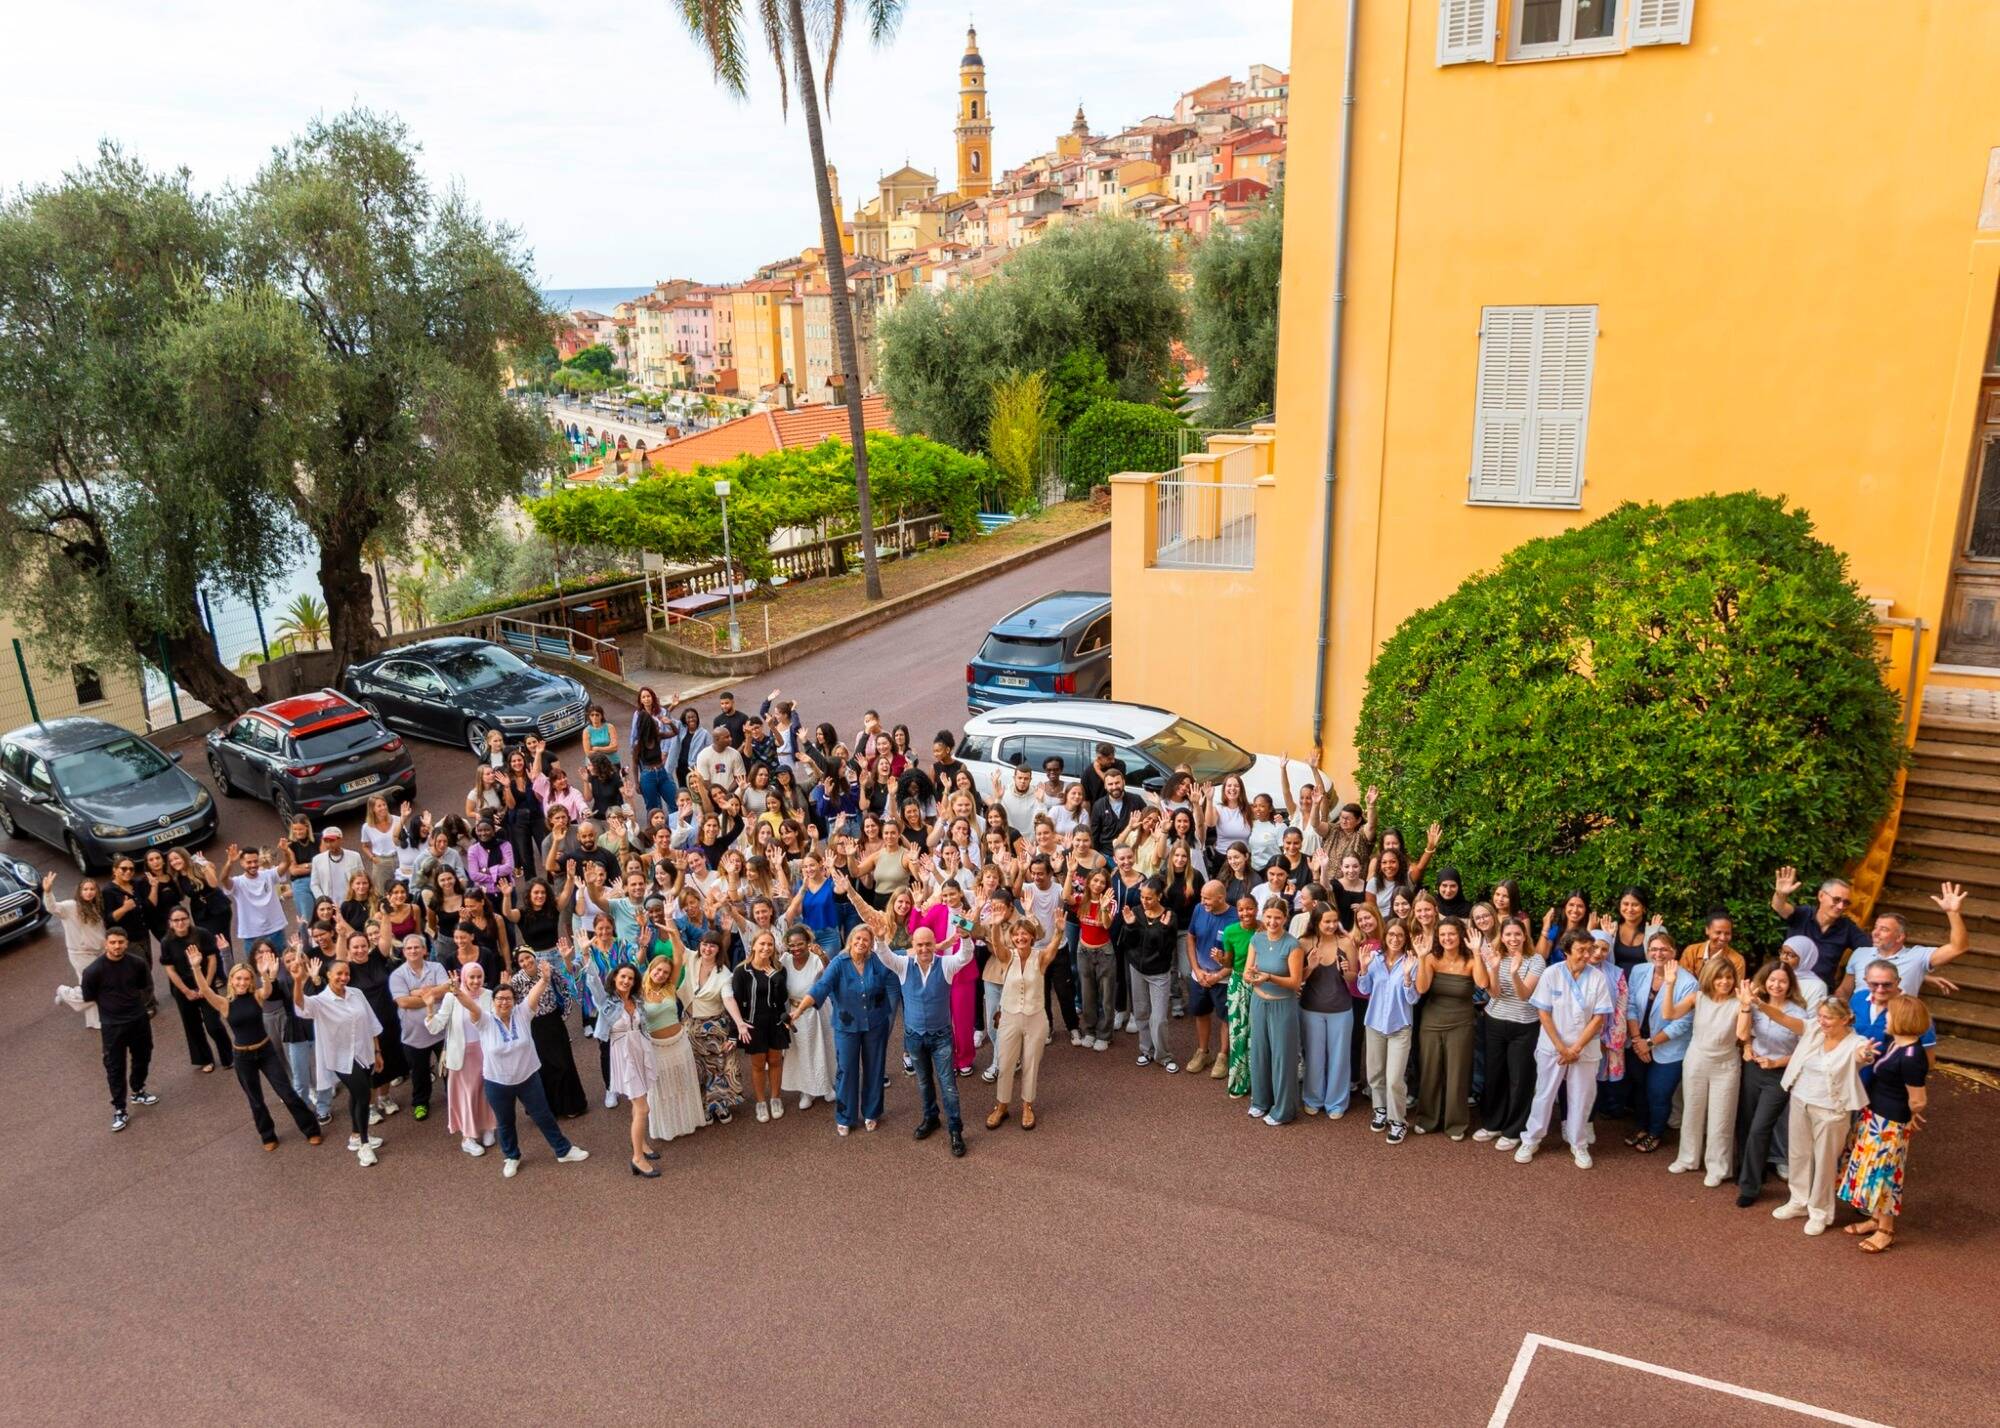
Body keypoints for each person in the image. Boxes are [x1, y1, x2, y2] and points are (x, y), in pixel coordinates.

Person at [444, 962, 592, 1179]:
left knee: (544, 1116)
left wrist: (544, 979)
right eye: (499, 999)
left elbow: (533, 995)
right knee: (505, 1123)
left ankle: (563, 1150)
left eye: (508, 998)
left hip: (528, 1079)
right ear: (493, 1002)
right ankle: (511, 1157)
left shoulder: (522, 1014)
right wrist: (457, 992)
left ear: (515, 1001)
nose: (504, 1002)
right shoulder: (485, 1020)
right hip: (497, 1083)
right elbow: (471, 1006)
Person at [192, 948, 322, 1150]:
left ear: (251, 981)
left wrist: (264, 974)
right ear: (231, 980)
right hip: (243, 1057)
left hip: (266, 1051)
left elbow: (268, 991)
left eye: (246, 979)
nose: (242, 982)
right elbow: (206, 991)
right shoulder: (224, 1003)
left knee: (287, 1092)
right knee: (256, 1100)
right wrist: (196, 967)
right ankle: (268, 1136)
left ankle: (311, 1129)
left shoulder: (257, 996)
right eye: (238, 978)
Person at [1837, 995, 1931, 1254]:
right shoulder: (1895, 1043)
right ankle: (1875, 1219)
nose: (1885, 1017)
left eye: (1889, 1014)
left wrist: (1911, 1114)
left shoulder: (1912, 1056)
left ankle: (1886, 1231)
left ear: (1901, 1019)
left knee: (1884, 1175)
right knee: (1871, 1170)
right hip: (1876, 1116)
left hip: (1890, 1125)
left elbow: (1918, 1099)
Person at [1515, 931, 1615, 1169]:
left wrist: (1575, 1048)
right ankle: (1531, 1139)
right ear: (1567, 951)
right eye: (1581, 950)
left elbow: (1599, 1018)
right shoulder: (1552, 973)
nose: (1587, 955)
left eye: (1590, 949)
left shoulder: (1597, 977)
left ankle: (1578, 1143)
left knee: (1582, 1097)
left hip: (1584, 1049)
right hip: (1553, 1047)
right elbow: (1543, 1013)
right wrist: (1562, 1048)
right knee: (1544, 1094)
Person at [790, 924, 902, 1136]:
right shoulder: (839, 963)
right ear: (850, 940)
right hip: (846, 1026)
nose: (861, 943)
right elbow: (821, 987)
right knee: (846, 1070)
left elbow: (902, 959)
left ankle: (871, 1112)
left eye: (866, 940)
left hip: (876, 1023)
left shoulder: (878, 960)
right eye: (857, 938)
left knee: (875, 1068)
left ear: (871, 944)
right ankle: (845, 1116)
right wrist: (799, 1011)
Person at [1775, 997, 1875, 1235]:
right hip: (1800, 1099)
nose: (1822, 1021)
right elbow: (1783, 1018)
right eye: (1820, 1016)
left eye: (1828, 1017)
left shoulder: (1856, 1042)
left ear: (1845, 1019)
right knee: (1798, 1154)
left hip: (1831, 1110)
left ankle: (1820, 1212)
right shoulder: (1814, 1030)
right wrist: (1758, 1003)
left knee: (1825, 1161)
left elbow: (1862, 1055)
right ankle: (1798, 1201)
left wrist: (1866, 1054)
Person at [875, 924, 974, 1157]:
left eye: (928, 944)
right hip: (914, 1036)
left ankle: (955, 1129)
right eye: (919, 945)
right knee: (923, 1082)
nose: (924, 949)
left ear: (934, 943)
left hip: (941, 1037)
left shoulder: (945, 964)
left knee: (948, 1085)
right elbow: (885, 956)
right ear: (913, 945)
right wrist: (879, 939)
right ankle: (931, 1118)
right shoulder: (903, 965)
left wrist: (966, 936)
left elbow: (965, 956)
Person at [292, 954, 387, 1166]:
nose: (343, 977)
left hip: (364, 1052)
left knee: (357, 1094)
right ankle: (364, 1145)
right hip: (341, 1058)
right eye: (339, 974)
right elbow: (300, 1004)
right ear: (328, 975)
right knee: (363, 1095)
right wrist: (298, 981)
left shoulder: (356, 994)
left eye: (347, 974)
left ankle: (355, 1135)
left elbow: (371, 1022)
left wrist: (377, 1051)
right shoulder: (320, 1002)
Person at [985, 912, 1068, 1131]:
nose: (1020, 938)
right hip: (1009, 1017)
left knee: (1031, 1063)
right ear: (1012, 938)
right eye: (1017, 935)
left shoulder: (1040, 957)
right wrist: (995, 926)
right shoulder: (1007, 957)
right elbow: (997, 944)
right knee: (1005, 1063)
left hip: (1035, 1018)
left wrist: (1059, 931)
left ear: (1032, 937)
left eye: (1024, 934)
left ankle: (1027, 1106)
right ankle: (1002, 1106)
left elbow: (1053, 948)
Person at [1733, 961, 1806, 1208]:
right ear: (1765, 981)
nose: (1776, 985)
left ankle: (1749, 1187)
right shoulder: (1754, 1005)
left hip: (1779, 1074)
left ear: (1790, 984)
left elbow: (1804, 1051)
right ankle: (1752, 1170)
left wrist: (1776, 1062)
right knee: (1746, 1122)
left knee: (1760, 1128)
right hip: (1754, 1069)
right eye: (1772, 980)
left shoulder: (1798, 1012)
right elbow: (1743, 1035)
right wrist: (1747, 1045)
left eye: (1782, 981)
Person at [1670, 956, 1743, 1187]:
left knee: (1721, 1117)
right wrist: (1670, 984)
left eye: (1729, 977)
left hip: (1726, 1065)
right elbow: (1669, 1014)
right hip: (1697, 1060)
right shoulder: (1698, 997)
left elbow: (1743, 1034)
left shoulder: (1739, 1002)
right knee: (1692, 1110)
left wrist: (1746, 1006)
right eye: (1719, 977)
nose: (1724, 982)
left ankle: (1717, 1167)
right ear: (1710, 977)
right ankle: (1687, 1158)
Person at [1472, 916, 1543, 1150]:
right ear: (1501, 937)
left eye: (1517, 934)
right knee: (1494, 1075)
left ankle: (1514, 1130)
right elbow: (1494, 993)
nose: (1513, 939)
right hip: (1495, 1022)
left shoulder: (1536, 960)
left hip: (1524, 1026)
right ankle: (1492, 1124)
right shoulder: (1496, 956)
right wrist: (1494, 968)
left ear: (1524, 936)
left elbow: (1524, 995)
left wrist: (1514, 973)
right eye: (1508, 934)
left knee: (1519, 1078)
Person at [1833, 882, 1970, 1002]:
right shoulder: (1860, 953)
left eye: (1884, 929)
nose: (1875, 933)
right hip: (1859, 1020)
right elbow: (1844, 991)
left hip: (1896, 1020)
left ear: (1899, 937)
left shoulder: (1917, 956)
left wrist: (1953, 913)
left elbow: (1958, 947)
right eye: (1876, 927)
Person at [1624, 932, 1697, 1155]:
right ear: (1648, 952)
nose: (1658, 953)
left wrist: (1649, 1043)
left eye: (1664, 949)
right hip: (1638, 1040)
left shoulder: (1689, 982)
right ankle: (1641, 1127)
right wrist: (1637, 1039)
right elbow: (1630, 1006)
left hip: (1668, 1048)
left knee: (1658, 1093)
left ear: (1674, 952)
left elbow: (1681, 1024)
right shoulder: (1639, 971)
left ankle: (1655, 1133)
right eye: (1654, 949)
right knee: (1639, 1088)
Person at [79, 928, 158, 1133]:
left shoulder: (137, 964)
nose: (117, 946)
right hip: (112, 1026)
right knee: (115, 1066)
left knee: (143, 1055)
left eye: (120, 942)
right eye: (113, 942)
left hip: (138, 1020)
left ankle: (138, 1089)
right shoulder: (93, 971)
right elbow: (89, 995)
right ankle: (120, 1109)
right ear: (106, 944)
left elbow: (145, 986)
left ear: (126, 943)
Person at [1412, 915, 1478, 1139]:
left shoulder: (1470, 960)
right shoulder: (1431, 958)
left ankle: (1456, 1124)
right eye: (1443, 934)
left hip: (1462, 1022)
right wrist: (1421, 958)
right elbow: (1421, 988)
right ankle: (1427, 1119)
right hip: (1432, 1021)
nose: (1447, 938)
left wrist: (1478, 953)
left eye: (1451, 934)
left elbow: (1483, 983)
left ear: (1460, 935)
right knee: (1430, 1071)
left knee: (1457, 1073)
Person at [1243, 897, 1306, 1126]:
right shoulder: (1256, 939)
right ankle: (1260, 1101)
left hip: (1283, 1005)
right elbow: (1247, 972)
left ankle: (1283, 1110)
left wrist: (1269, 977)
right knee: (1259, 1052)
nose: (1272, 922)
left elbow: (1295, 982)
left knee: (1282, 1057)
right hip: (1259, 1002)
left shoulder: (1293, 945)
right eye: (1269, 917)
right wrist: (1251, 976)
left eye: (1277, 918)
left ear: (1285, 918)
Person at [1357, 920, 1420, 1143]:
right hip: (1374, 1024)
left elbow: (1413, 999)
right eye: (1391, 934)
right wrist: (1363, 969)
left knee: (1394, 1078)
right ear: (1385, 936)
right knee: (1375, 1074)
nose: (1395, 939)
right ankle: (1380, 1109)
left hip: (1399, 1027)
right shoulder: (1374, 959)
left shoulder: (1411, 961)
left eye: (1400, 935)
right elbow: (1364, 989)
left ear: (1405, 938)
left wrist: (1407, 977)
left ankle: (1398, 1121)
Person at [425, 961, 496, 1156]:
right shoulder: (451, 997)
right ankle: (468, 1137)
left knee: (487, 1092)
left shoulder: (489, 995)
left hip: (485, 1053)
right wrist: (429, 1009)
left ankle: (488, 1126)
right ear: (464, 977)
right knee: (467, 1096)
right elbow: (436, 1026)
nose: (475, 981)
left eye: (479, 977)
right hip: (461, 1056)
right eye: (471, 977)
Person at [509, 947, 590, 1120]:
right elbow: (513, 1005)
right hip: (533, 1026)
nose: (526, 962)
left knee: (564, 1062)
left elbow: (565, 988)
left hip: (553, 1021)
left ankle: (571, 1105)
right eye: (521, 960)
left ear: (534, 956)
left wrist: (564, 1014)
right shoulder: (516, 980)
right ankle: (550, 1109)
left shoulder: (548, 969)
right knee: (543, 1067)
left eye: (528, 958)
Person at [598, 963, 662, 1176]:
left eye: (631, 978)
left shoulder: (636, 1000)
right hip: (624, 1057)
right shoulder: (606, 1001)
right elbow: (591, 982)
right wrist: (585, 956)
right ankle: (637, 1158)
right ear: (615, 977)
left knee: (639, 1104)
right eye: (623, 976)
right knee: (643, 1108)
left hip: (639, 1051)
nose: (626, 981)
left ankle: (640, 1143)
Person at [679, 934, 750, 1124]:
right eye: (704, 944)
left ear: (719, 949)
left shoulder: (724, 974)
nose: (707, 949)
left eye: (712, 946)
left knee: (716, 1067)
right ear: (699, 945)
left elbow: (728, 999)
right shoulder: (691, 957)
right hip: (690, 1024)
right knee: (696, 1067)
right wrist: (669, 920)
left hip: (714, 1027)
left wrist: (740, 1023)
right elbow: (676, 941)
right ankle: (703, 1105)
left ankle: (719, 1106)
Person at [637, 952, 706, 1143]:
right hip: (656, 1048)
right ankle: (667, 1128)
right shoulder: (639, 993)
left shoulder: (670, 987)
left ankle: (687, 1122)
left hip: (679, 1043)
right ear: (651, 969)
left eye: (666, 972)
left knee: (683, 1082)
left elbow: (677, 958)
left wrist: (674, 934)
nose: (661, 975)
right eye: (658, 970)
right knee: (662, 1088)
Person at [1769, 867, 1870, 994]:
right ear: (1821, 896)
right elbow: (1779, 906)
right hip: (1786, 986)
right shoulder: (1803, 914)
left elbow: (1871, 952)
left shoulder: (1847, 928)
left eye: (1845, 903)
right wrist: (1781, 894)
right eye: (1836, 899)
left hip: (1819, 992)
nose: (1841, 906)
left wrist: (1847, 984)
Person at [159, 906, 234, 1074]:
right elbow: (170, 970)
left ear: (189, 919)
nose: (180, 923)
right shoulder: (166, 942)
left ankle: (228, 1056)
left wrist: (205, 986)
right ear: (170, 923)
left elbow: (212, 960)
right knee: (192, 1026)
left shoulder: (202, 934)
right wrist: (186, 991)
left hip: (205, 983)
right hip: (183, 989)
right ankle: (205, 1059)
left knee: (213, 1024)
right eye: (176, 920)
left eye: (183, 919)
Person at [1298, 906, 1356, 1119]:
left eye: (1334, 921)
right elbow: (1298, 978)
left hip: (1341, 1009)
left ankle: (1336, 1102)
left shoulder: (1346, 943)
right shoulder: (1304, 943)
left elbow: (1353, 977)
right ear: (1316, 922)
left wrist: (1345, 972)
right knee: (1314, 1057)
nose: (1332, 925)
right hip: (1311, 1009)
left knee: (1339, 1057)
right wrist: (1310, 966)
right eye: (1327, 922)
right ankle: (1313, 1099)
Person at [1120, 877, 1180, 1073]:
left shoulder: (1169, 916)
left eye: (1149, 898)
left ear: (1159, 896)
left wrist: (1163, 929)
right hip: (1137, 969)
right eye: (1142, 897)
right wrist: (1130, 925)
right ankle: (1146, 1050)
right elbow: (1128, 943)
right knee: (1141, 1012)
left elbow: (1166, 950)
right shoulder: (1136, 912)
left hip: (1159, 973)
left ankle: (1163, 1056)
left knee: (1160, 1017)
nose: (1144, 901)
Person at [734, 930, 792, 1123]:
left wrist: (776, 978)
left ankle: (775, 1098)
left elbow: (782, 999)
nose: (766, 948)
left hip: (775, 1022)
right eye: (762, 944)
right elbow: (736, 1001)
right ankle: (760, 1102)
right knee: (758, 1065)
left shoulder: (779, 969)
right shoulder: (742, 971)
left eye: (770, 944)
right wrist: (736, 1030)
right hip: (753, 1025)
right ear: (753, 946)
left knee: (775, 1061)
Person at [388, 933, 447, 1122]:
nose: (413, 951)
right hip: (414, 1036)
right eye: (409, 948)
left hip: (441, 1031)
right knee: (419, 1074)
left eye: (416, 947)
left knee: (449, 1068)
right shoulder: (397, 975)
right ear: (404, 952)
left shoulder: (436, 967)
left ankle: (454, 1097)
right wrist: (430, 995)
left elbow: (446, 989)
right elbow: (403, 1002)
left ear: (424, 950)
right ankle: (421, 1103)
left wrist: (415, 993)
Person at [779, 928, 836, 1111]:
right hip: (795, 1013)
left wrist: (823, 956)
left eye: (800, 944)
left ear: (808, 942)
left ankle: (828, 1085)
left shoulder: (816, 959)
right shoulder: (785, 960)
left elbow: (831, 974)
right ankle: (806, 1091)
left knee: (824, 1047)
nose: (796, 948)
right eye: (792, 945)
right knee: (801, 1052)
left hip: (818, 1010)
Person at [44, 871, 108, 1029]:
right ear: (79, 891)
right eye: (85, 889)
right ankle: (65, 993)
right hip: (80, 954)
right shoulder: (71, 906)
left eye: (92, 889)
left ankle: (94, 1021)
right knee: (96, 986)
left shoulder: (96, 907)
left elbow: (97, 932)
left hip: (98, 952)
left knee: (90, 986)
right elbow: (53, 908)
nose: (89, 892)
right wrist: (48, 892)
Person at [1185, 880, 1235, 1077]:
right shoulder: (1199, 909)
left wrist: (1218, 975)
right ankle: (1203, 1052)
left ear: (1220, 898)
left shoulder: (1235, 918)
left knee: (1226, 1018)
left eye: (1207, 898)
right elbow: (1191, 937)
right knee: (1201, 1013)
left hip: (1223, 979)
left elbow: (1239, 955)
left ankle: (1223, 1056)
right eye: (1202, 897)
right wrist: (1196, 969)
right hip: (1200, 976)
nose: (1202, 902)